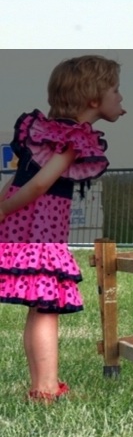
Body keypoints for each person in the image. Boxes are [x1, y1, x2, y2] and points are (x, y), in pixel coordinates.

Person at [0, 55, 125, 402]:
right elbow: (40, 183)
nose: (121, 98)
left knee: (40, 305)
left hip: (24, 222)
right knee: (46, 305)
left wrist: (3, 207)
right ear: (94, 99)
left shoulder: (46, 132)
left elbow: (18, 177)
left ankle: (43, 385)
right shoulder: (74, 139)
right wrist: (4, 209)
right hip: (39, 227)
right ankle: (46, 388)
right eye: (116, 90)